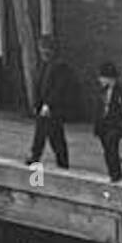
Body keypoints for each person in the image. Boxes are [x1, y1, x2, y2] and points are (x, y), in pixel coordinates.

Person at [27, 36, 75, 170]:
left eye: (44, 49)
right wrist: (37, 104)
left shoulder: (60, 66)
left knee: (54, 136)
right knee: (45, 134)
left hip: (53, 108)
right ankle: (37, 158)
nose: (42, 52)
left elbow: (58, 88)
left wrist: (48, 104)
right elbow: (39, 85)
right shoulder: (43, 65)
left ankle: (57, 162)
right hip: (43, 107)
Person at [93, 62, 122, 182]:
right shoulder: (103, 90)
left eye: (102, 78)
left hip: (116, 125)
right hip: (105, 124)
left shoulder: (121, 90)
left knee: (111, 145)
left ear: (109, 78)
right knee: (107, 149)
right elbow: (99, 109)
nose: (100, 80)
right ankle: (113, 172)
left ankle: (115, 174)